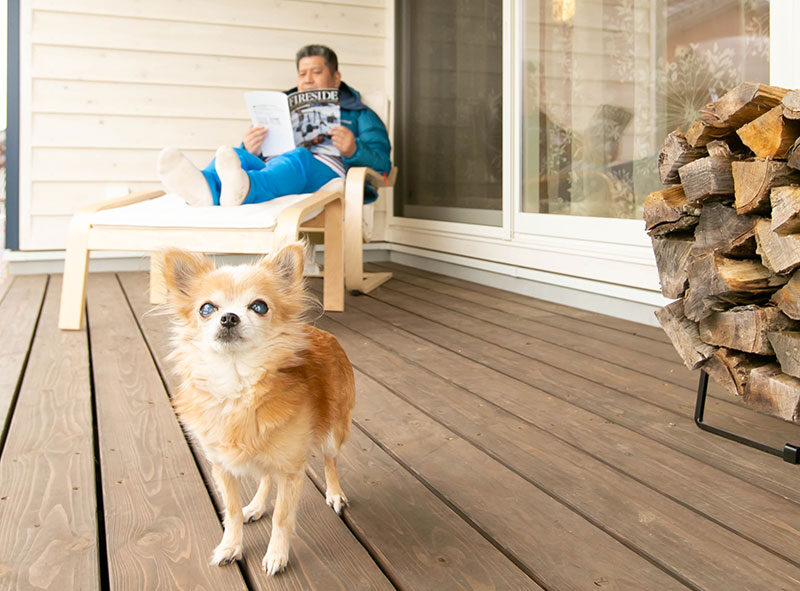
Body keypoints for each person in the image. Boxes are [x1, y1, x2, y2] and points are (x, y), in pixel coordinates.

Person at [157, 44, 391, 207]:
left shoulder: (361, 113)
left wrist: (354, 149)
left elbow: (383, 165)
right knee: (236, 155)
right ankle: (203, 188)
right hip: (275, 164)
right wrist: (250, 147)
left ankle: (248, 188)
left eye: (316, 72)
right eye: (302, 74)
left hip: (325, 173)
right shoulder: (284, 106)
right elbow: (246, 156)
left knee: (298, 157)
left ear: (336, 78)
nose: (307, 79)